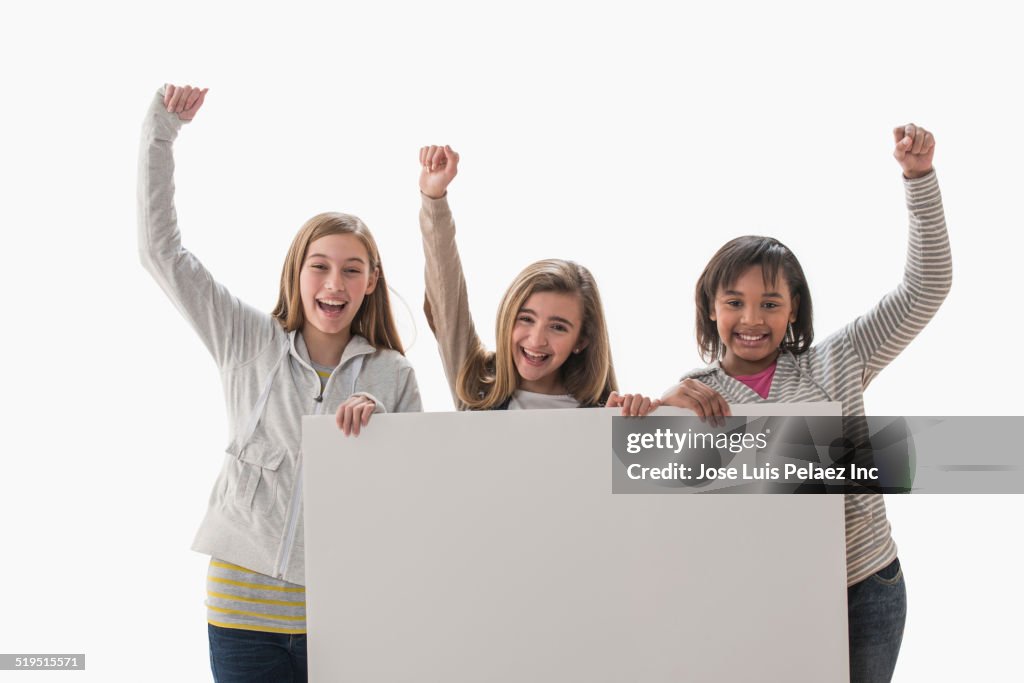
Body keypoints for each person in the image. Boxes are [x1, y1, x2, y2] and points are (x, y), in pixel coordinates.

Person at [139, 84, 422, 682]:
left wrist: (386, 428)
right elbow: (161, 252)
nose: (334, 283)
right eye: (320, 265)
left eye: (352, 269)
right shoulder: (247, 341)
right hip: (242, 614)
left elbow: (414, 496)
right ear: (297, 273)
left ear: (371, 283)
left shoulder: (393, 374)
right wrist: (161, 132)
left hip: (349, 615)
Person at [661, 124, 951, 682]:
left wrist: (919, 180)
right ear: (711, 307)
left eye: (770, 303)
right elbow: (668, 508)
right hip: (768, 600)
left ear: (793, 309)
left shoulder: (837, 359)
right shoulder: (697, 394)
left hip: (866, 584)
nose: (751, 320)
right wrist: (654, 408)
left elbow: (928, 285)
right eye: (735, 302)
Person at [418, 144, 654, 415]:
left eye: (558, 327)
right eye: (526, 319)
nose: (536, 339)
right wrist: (434, 199)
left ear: (582, 340)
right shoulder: (477, 386)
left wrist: (624, 426)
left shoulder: (599, 412)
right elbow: (448, 300)